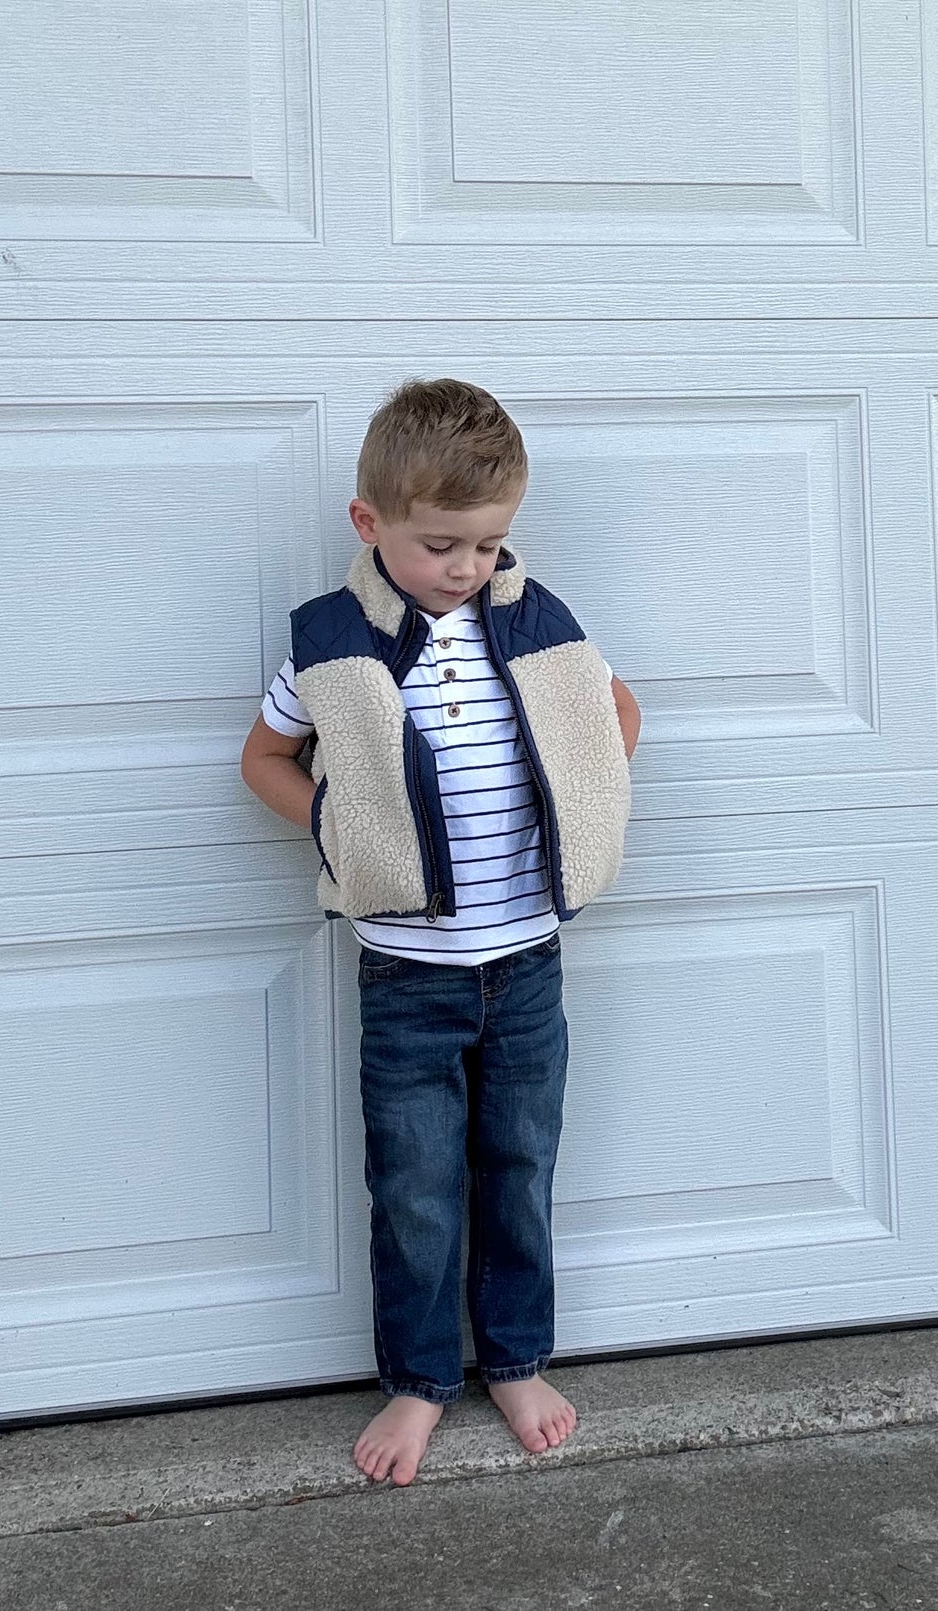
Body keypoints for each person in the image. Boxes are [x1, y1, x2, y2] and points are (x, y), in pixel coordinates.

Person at [240, 377, 639, 1486]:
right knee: (414, 1185)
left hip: (526, 965)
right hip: (407, 977)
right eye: (441, 544)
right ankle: (419, 1379)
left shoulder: (535, 618)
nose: (467, 566)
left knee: (518, 1166)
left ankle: (512, 1359)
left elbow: (613, 709)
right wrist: (333, 821)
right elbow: (262, 759)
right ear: (369, 525)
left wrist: (591, 787)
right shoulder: (328, 644)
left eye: (488, 542)